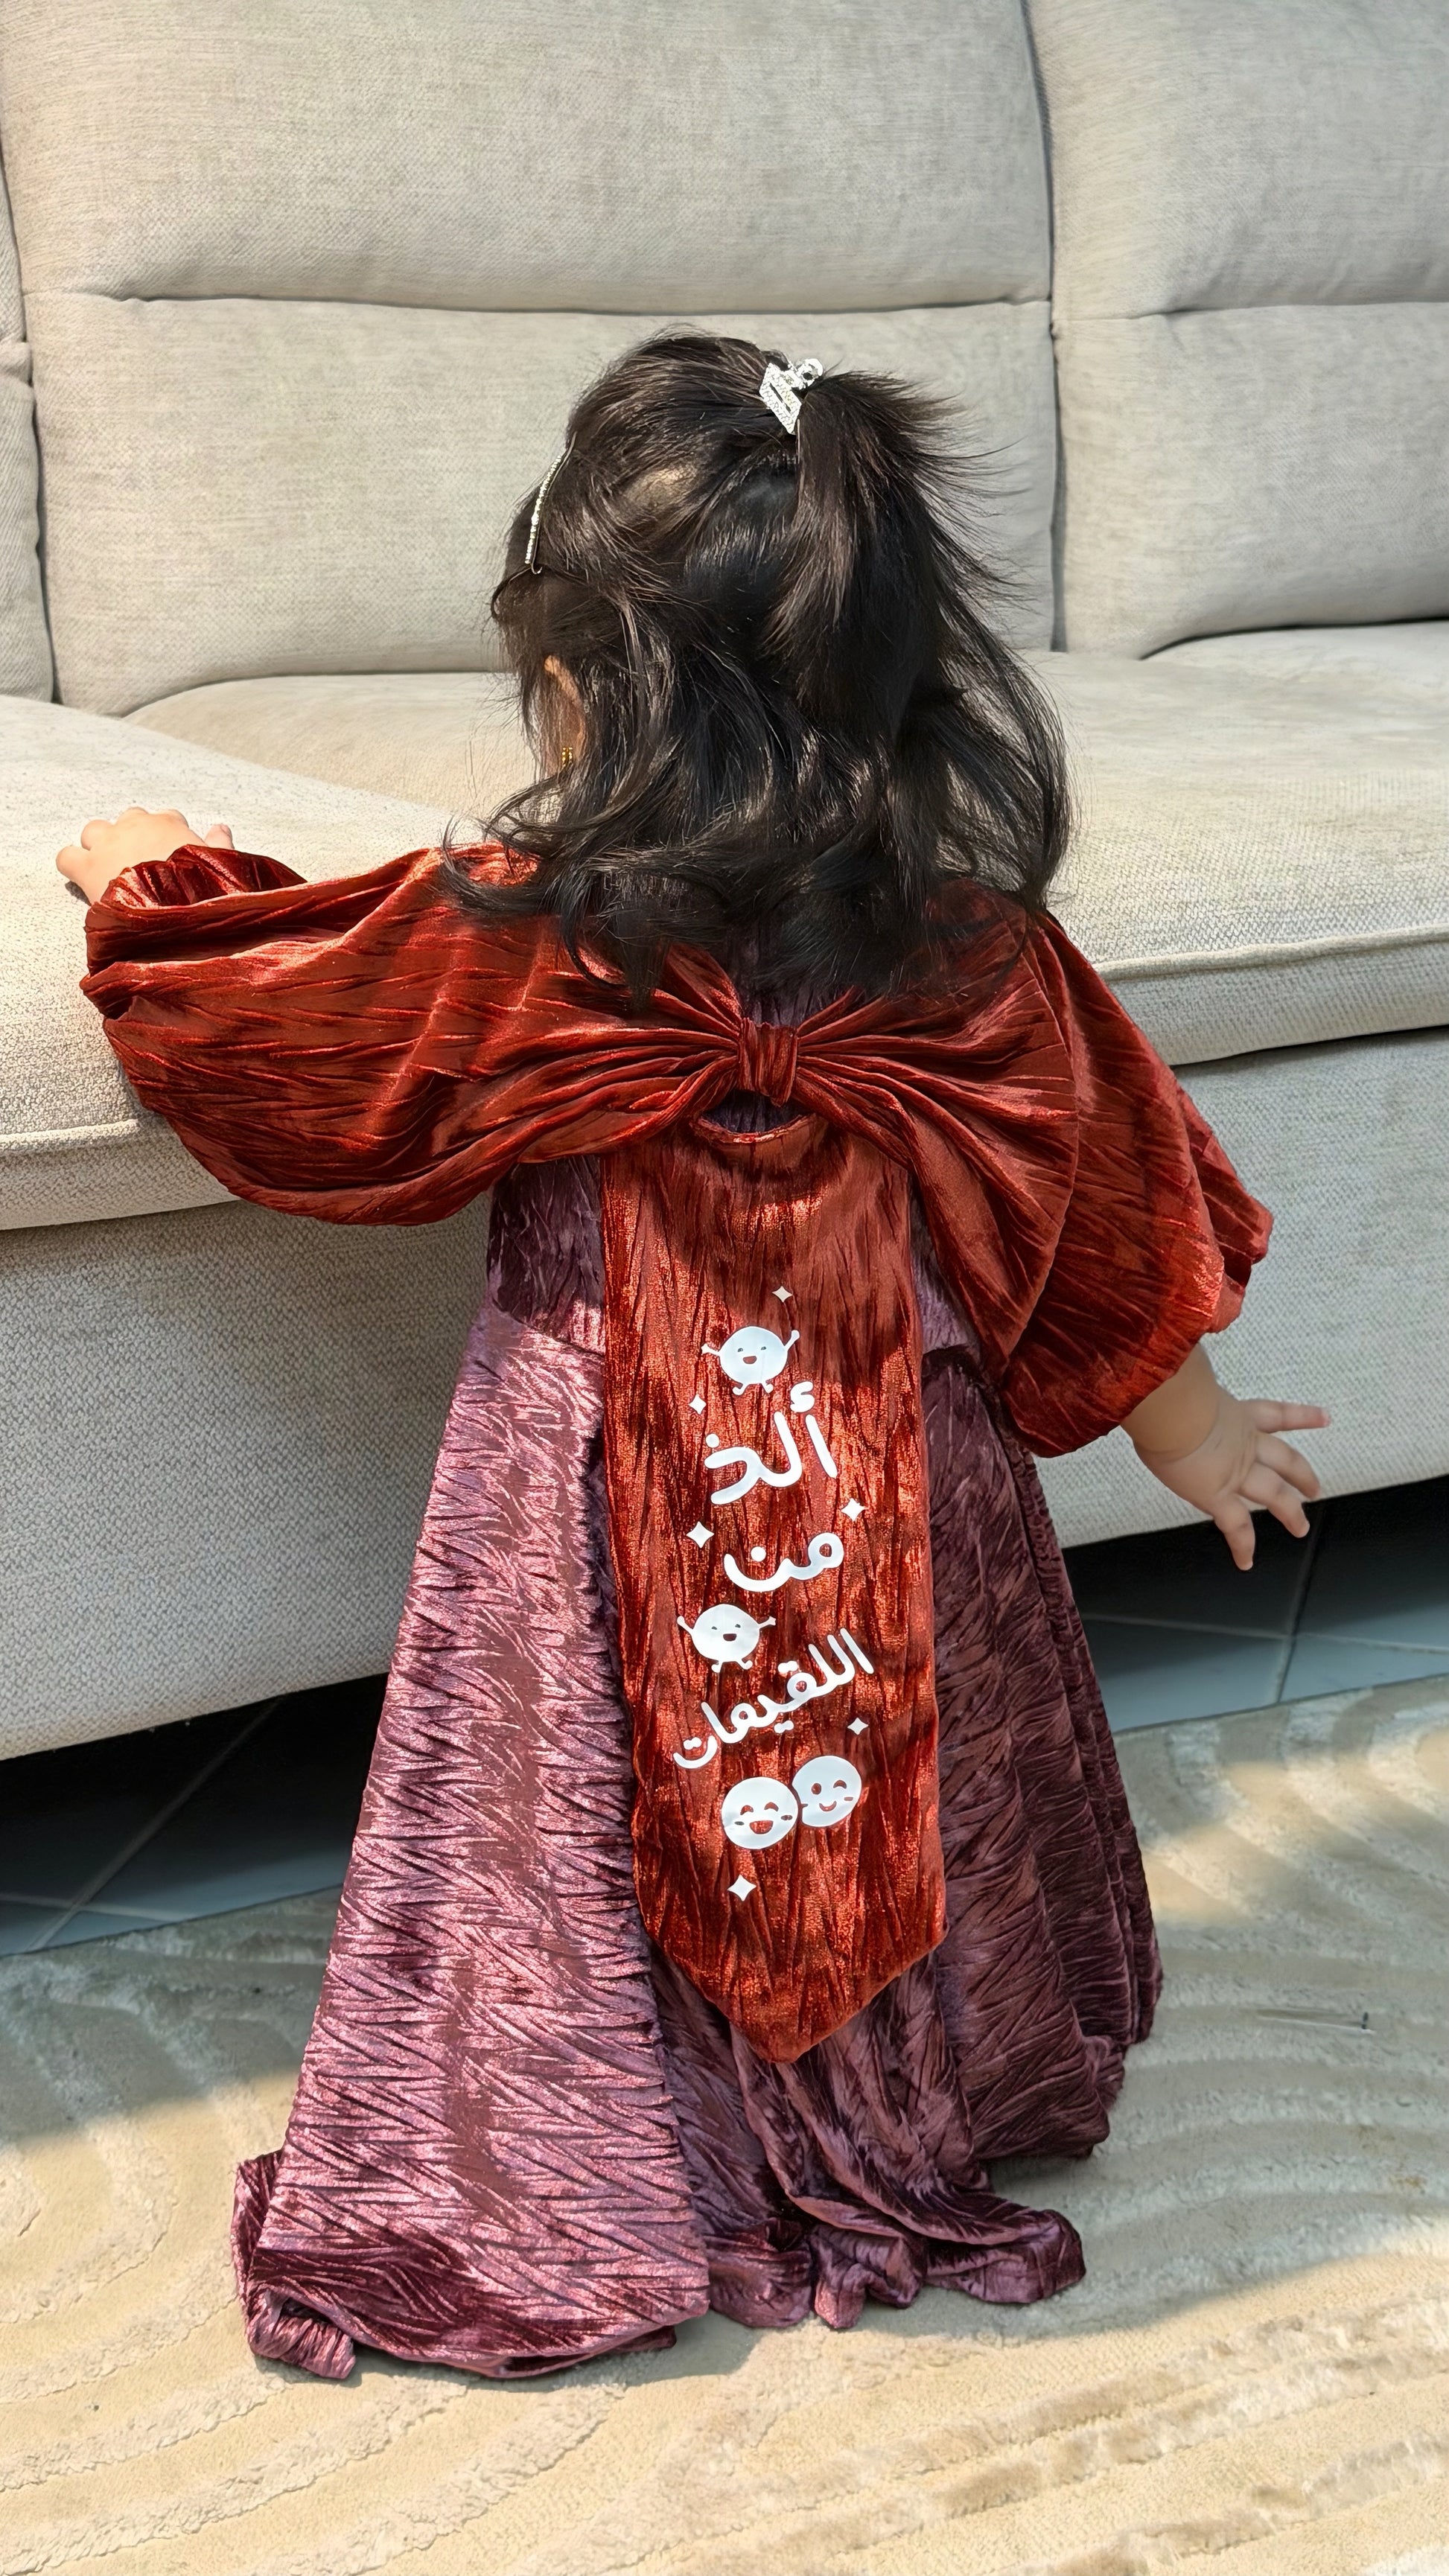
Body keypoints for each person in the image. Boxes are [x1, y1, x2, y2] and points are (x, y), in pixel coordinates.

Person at [59, 334, 1326, 2382]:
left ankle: (617, 2125)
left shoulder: (513, 927)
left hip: (591, 1485)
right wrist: (1200, 1436)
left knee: (580, 1799)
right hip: (908, 1474)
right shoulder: (976, 948)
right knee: (907, 1751)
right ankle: (920, 2076)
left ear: (577, 692)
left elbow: (285, 1026)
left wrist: (144, 879)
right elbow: (1094, 1207)